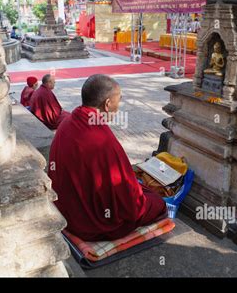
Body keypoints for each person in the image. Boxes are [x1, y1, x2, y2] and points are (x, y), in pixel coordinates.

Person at [48, 74, 167, 241]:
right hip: (88, 224)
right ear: (108, 104)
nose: (118, 107)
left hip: (65, 209)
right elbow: (128, 200)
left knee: (143, 188)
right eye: (118, 101)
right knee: (157, 203)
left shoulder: (69, 121)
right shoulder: (102, 138)